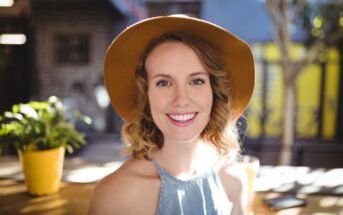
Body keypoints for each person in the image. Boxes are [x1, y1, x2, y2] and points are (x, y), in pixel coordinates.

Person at [88, 15, 255, 215]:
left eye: (196, 81)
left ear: (214, 92)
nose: (181, 99)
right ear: (146, 96)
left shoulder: (233, 179)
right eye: (164, 83)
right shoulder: (114, 195)